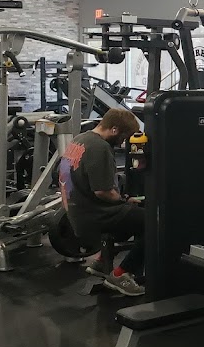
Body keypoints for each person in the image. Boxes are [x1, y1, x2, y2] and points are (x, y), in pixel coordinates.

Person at [58, 108, 144, 296]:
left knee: (132, 216)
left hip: (77, 213)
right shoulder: (100, 147)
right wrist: (124, 200)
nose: (122, 143)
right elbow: (103, 192)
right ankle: (121, 274)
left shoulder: (79, 139)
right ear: (114, 129)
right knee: (156, 223)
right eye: (123, 137)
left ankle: (101, 261)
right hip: (95, 215)